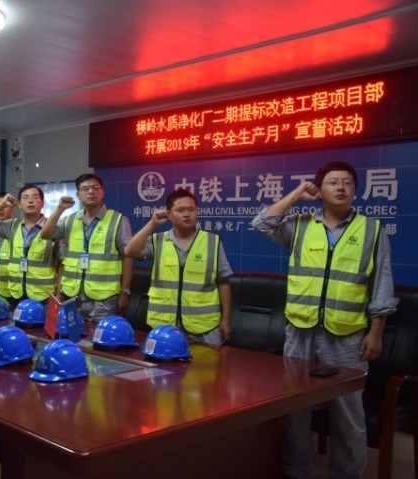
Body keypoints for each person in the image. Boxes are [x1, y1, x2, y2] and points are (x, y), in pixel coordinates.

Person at [251, 160, 398, 479]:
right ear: (320, 190)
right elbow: (261, 223)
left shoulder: (372, 230)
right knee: (295, 410)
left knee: (348, 414)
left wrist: (376, 332)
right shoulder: (300, 225)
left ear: (355, 190)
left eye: (347, 183)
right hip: (300, 332)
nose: (341, 188)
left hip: (346, 335)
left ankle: (347, 474)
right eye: (332, 182)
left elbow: (382, 284)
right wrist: (296, 194)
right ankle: (295, 472)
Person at [124, 188, 232, 345]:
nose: (187, 214)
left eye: (191, 209)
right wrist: (152, 224)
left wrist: (226, 319)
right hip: (165, 325)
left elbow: (224, 282)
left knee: (207, 362)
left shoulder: (212, 241)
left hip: (204, 327)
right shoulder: (158, 240)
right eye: (180, 210)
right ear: (168, 214)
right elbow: (129, 251)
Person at [40, 173, 132, 322]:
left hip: (104, 298)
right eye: (85, 189)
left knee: (98, 335)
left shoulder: (118, 220)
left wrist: (125, 292)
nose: (90, 192)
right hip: (72, 294)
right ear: (78, 194)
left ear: (102, 192)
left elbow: (127, 257)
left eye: (95, 188)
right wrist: (59, 209)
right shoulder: (69, 220)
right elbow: (45, 234)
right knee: (72, 334)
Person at [0, 186, 60, 306]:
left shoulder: (53, 228)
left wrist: (59, 294)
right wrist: (3, 204)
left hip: (43, 295)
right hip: (16, 293)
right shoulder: (12, 225)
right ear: (19, 205)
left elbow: (62, 263)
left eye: (35, 197)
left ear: (42, 203)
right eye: (26, 197)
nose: (30, 200)